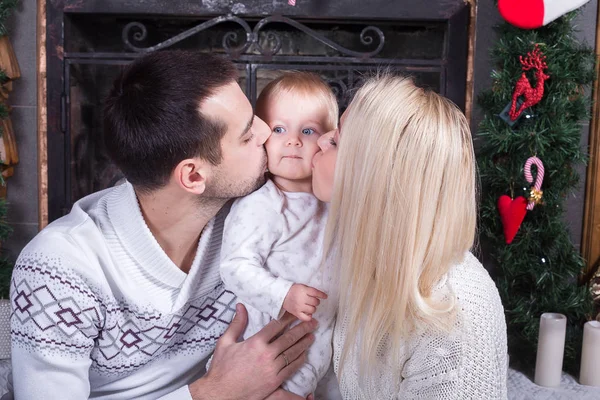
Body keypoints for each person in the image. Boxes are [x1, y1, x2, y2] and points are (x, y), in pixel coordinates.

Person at [9, 50, 318, 400]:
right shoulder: (60, 269)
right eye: (247, 136)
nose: (266, 131)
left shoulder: (253, 219)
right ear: (193, 175)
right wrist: (215, 393)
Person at [311, 75, 508, 399]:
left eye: (335, 142)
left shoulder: (451, 318)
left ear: (373, 178)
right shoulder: (360, 253)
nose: (319, 140)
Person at [216, 72, 338, 398]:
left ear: (329, 142)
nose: (294, 141)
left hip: (322, 342)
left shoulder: (331, 204)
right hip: (272, 346)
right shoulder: (261, 206)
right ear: (262, 140)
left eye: (308, 130)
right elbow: (234, 267)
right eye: (280, 129)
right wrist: (283, 294)